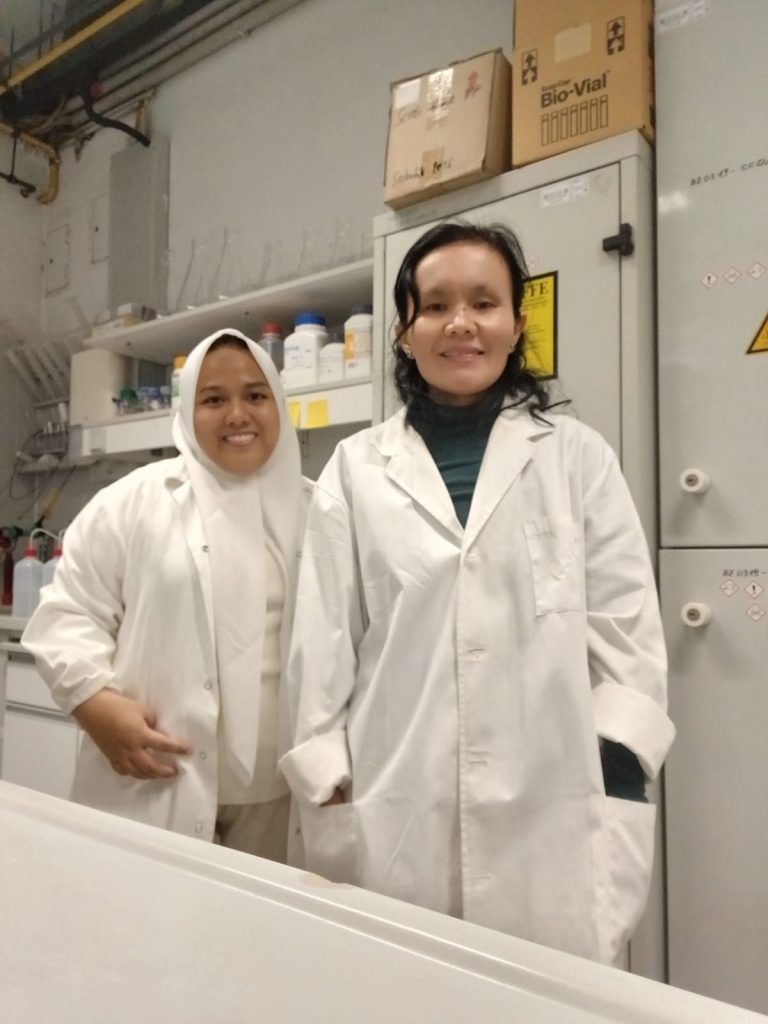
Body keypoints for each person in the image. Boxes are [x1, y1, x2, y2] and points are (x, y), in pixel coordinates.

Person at [279, 221, 675, 964]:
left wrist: (619, 775)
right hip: (397, 803)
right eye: (435, 306)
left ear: (517, 324)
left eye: (484, 303)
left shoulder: (578, 458)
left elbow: (627, 634)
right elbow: (322, 641)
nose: (460, 323)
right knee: (399, 992)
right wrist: (327, 780)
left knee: (545, 1000)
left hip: (554, 811)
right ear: (404, 333)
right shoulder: (355, 470)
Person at [23, 328, 308, 860]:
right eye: (213, 400)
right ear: (186, 412)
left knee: (254, 914)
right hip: (155, 775)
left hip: (278, 795)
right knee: (142, 909)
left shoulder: (318, 512)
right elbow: (68, 615)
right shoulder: (131, 503)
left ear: (278, 404)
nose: (238, 415)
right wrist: (95, 704)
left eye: (255, 395)